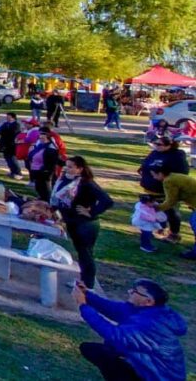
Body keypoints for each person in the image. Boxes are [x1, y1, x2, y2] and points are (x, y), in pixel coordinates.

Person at [74, 278, 187, 381]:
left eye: (135, 291)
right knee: (102, 349)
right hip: (153, 369)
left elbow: (112, 334)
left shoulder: (148, 324)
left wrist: (83, 306)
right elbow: (113, 308)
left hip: (160, 377)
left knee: (103, 353)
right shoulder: (149, 310)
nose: (129, 291)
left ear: (148, 301)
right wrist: (87, 294)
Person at [51, 156, 114, 289]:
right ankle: (83, 281)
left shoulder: (86, 183)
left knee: (86, 254)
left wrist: (91, 212)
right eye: (66, 166)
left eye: (70, 167)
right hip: (72, 221)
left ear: (80, 169)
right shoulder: (64, 179)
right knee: (80, 252)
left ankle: (88, 284)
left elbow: (107, 201)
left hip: (85, 224)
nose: (66, 169)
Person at [138, 137, 190, 244]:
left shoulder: (177, 156)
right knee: (152, 210)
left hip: (167, 191)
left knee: (171, 212)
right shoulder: (155, 153)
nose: (156, 146)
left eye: (159, 144)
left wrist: (164, 178)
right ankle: (159, 228)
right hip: (151, 189)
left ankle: (174, 234)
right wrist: (142, 169)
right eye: (155, 143)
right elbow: (147, 163)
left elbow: (182, 173)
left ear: (169, 145)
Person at [149, 167, 196, 259]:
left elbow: (171, 202)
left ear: (161, 173)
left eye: (154, 175)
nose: (154, 178)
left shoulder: (168, 181)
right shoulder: (174, 176)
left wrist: (155, 208)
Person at [27, 128, 61, 201]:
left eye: (42, 134)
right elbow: (31, 156)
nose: (39, 136)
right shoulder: (39, 145)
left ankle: (47, 203)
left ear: (47, 136)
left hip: (44, 173)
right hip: (36, 172)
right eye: (39, 134)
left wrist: (45, 171)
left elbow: (52, 162)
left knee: (45, 191)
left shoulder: (51, 148)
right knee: (39, 189)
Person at [0, 112, 23, 180]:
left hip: (12, 145)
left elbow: (14, 133)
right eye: (7, 116)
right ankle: (12, 171)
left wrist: (5, 132)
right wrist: (5, 132)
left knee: (12, 159)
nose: (7, 118)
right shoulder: (5, 124)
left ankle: (18, 172)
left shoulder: (16, 125)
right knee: (7, 158)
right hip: (4, 144)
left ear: (13, 117)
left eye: (9, 116)